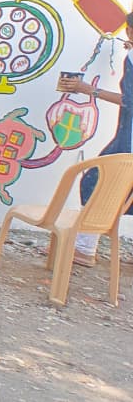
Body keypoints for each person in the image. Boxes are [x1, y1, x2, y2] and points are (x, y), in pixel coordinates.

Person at [58, 15, 133, 266]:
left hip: (129, 141)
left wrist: (90, 90)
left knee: (99, 183)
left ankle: (84, 248)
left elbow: (130, 101)